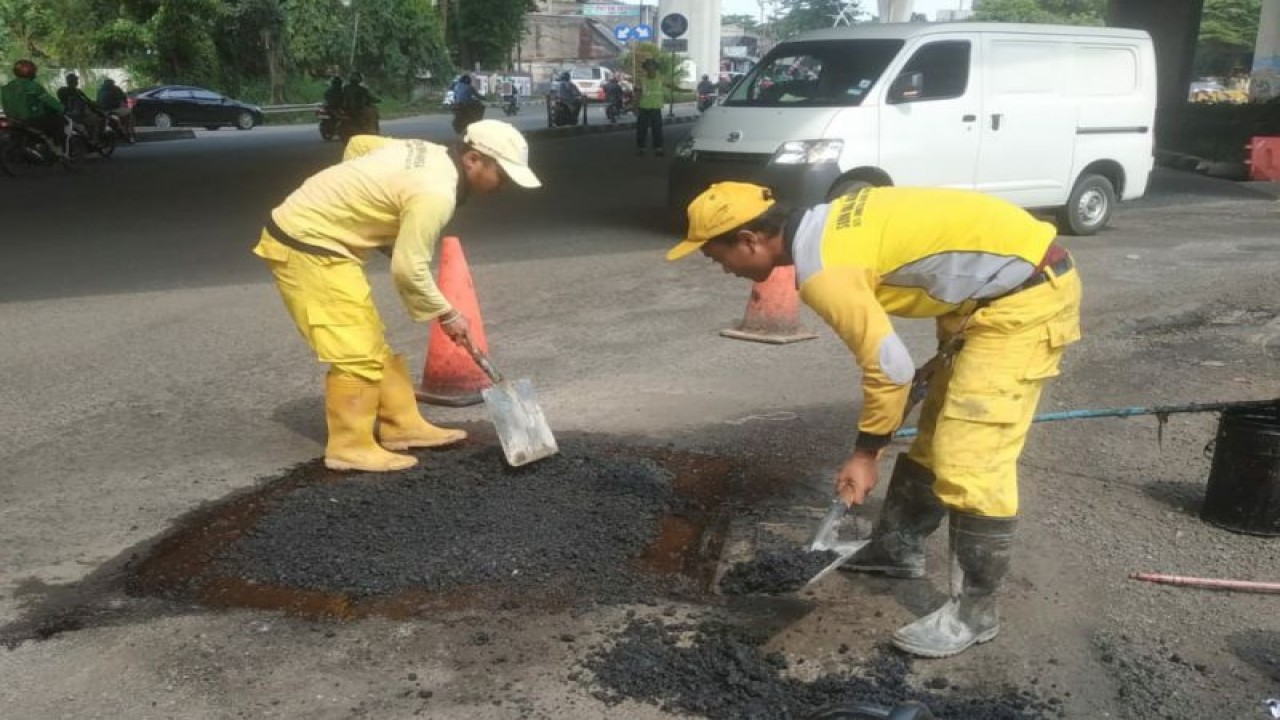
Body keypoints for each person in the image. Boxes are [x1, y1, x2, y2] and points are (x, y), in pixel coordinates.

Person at [667, 182, 1082, 659]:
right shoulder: (827, 224)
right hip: (983, 300)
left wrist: (865, 454)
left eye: (718, 257)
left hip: (1022, 300)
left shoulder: (825, 270)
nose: (723, 269)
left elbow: (890, 369)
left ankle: (976, 613)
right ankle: (897, 549)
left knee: (970, 459)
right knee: (936, 436)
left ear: (750, 239)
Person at [253, 120, 542, 473]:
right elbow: (409, 270)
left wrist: (356, 199)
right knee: (355, 352)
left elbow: (359, 144)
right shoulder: (436, 194)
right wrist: (448, 313)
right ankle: (349, 446)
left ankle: (401, 425)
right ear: (472, 159)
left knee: (371, 340)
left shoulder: (426, 151)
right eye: (503, 175)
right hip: (306, 245)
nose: (504, 186)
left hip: (326, 243)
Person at [1, 60, 67, 155]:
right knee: (59, 122)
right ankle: (58, 149)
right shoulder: (33, 86)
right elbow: (49, 100)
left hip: (12, 119)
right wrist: (62, 108)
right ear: (30, 72)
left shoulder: (7, 87)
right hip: (31, 119)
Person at [57, 73, 105, 146]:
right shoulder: (77, 92)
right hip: (79, 116)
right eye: (76, 80)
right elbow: (88, 101)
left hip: (65, 115)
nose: (77, 82)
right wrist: (96, 107)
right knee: (97, 121)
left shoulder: (61, 91)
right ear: (75, 82)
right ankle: (95, 140)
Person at [634, 59, 666, 156]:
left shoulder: (661, 78)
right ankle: (641, 148)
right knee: (641, 129)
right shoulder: (641, 80)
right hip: (643, 108)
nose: (650, 68)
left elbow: (672, 86)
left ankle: (658, 148)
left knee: (657, 129)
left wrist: (685, 90)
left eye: (652, 66)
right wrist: (634, 105)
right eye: (648, 66)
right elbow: (638, 93)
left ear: (656, 67)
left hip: (656, 108)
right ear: (645, 68)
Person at [97, 77, 136, 143]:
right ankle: (130, 134)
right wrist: (124, 103)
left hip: (103, 110)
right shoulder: (116, 89)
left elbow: (98, 101)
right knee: (129, 114)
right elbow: (124, 98)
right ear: (113, 83)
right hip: (115, 109)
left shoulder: (100, 90)